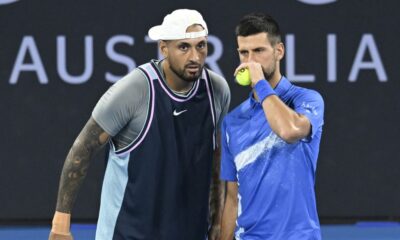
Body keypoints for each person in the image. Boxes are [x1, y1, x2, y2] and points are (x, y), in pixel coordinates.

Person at [48, 9, 230, 240]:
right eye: (184, 47)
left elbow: (216, 157)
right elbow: (83, 149)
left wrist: (217, 221)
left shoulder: (217, 90)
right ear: (164, 48)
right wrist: (61, 224)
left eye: (201, 46)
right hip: (126, 234)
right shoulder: (134, 90)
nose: (195, 56)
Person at [219, 13, 324, 240]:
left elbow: (289, 131)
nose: (250, 61)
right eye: (244, 53)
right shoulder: (232, 122)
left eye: (259, 51)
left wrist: (260, 83)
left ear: (279, 51)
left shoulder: (306, 100)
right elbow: (231, 196)